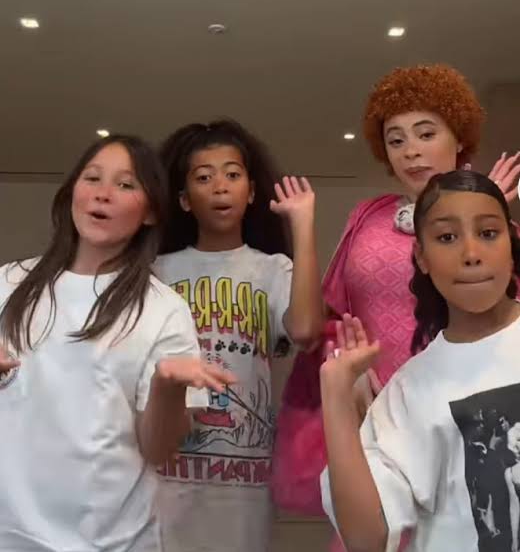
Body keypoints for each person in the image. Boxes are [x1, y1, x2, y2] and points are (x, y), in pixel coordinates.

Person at [271, 65, 520, 538]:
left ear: (458, 136)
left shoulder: (495, 223)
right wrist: (302, 225)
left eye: (426, 133)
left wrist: (483, 211)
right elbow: (309, 327)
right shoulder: (367, 217)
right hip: (384, 416)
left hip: (474, 418)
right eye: (396, 140)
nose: (411, 150)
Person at [0, 134, 234, 551]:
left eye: (125, 185)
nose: (103, 194)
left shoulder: (163, 309)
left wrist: (166, 387)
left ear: (150, 212)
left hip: (114, 541)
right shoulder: (9, 283)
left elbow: (159, 450)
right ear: (72, 192)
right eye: (92, 178)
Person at [320, 169, 520, 552]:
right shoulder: (410, 390)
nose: (472, 254)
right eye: (447, 237)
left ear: (511, 242)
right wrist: (337, 400)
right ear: (421, 257)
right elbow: (366, 539)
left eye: (488, 233)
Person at [153, 119, 323, 552]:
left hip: (246, 477)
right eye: (203, 177)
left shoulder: (272, 270)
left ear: (250, 192)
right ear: (184, 199)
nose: (220, 187)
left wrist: (303, 224)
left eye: (232, 174)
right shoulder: (158, 273)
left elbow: (306, 330)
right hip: (167, 474)